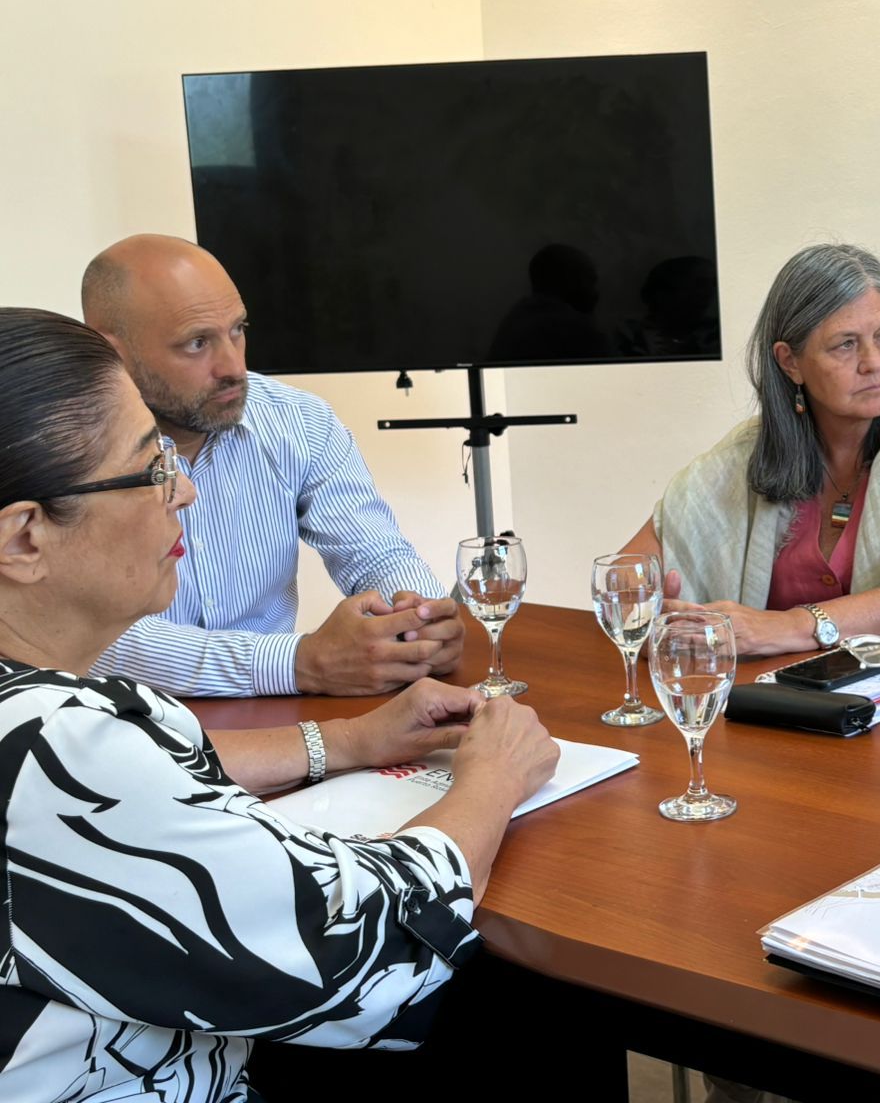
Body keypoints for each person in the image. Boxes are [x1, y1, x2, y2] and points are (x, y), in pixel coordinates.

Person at [0, 308, 558, 1101]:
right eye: (150, 469)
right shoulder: (58, 751)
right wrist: (493, 779)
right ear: (24, 537)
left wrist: (347, 740)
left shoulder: (54, 722)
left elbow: (160, 758)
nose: (185, 488)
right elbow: (358, 948)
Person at [79, 233, 463, 698]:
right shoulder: (62, 452)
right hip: (117, 724)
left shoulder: (300, 421)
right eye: (197, 343)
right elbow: (95, 641)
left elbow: (375, 554)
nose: (232, 366)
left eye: (237, 330)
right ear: (113, 352)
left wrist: (419, 621)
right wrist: (298, 663)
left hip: (275, 710)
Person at [623, 243, 880, 661]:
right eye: (845, 344)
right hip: (799, 702)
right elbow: (627, 575)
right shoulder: (751, 452)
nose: (874, 362)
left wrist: (790, 626)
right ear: (790, 361)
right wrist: (654, 614)